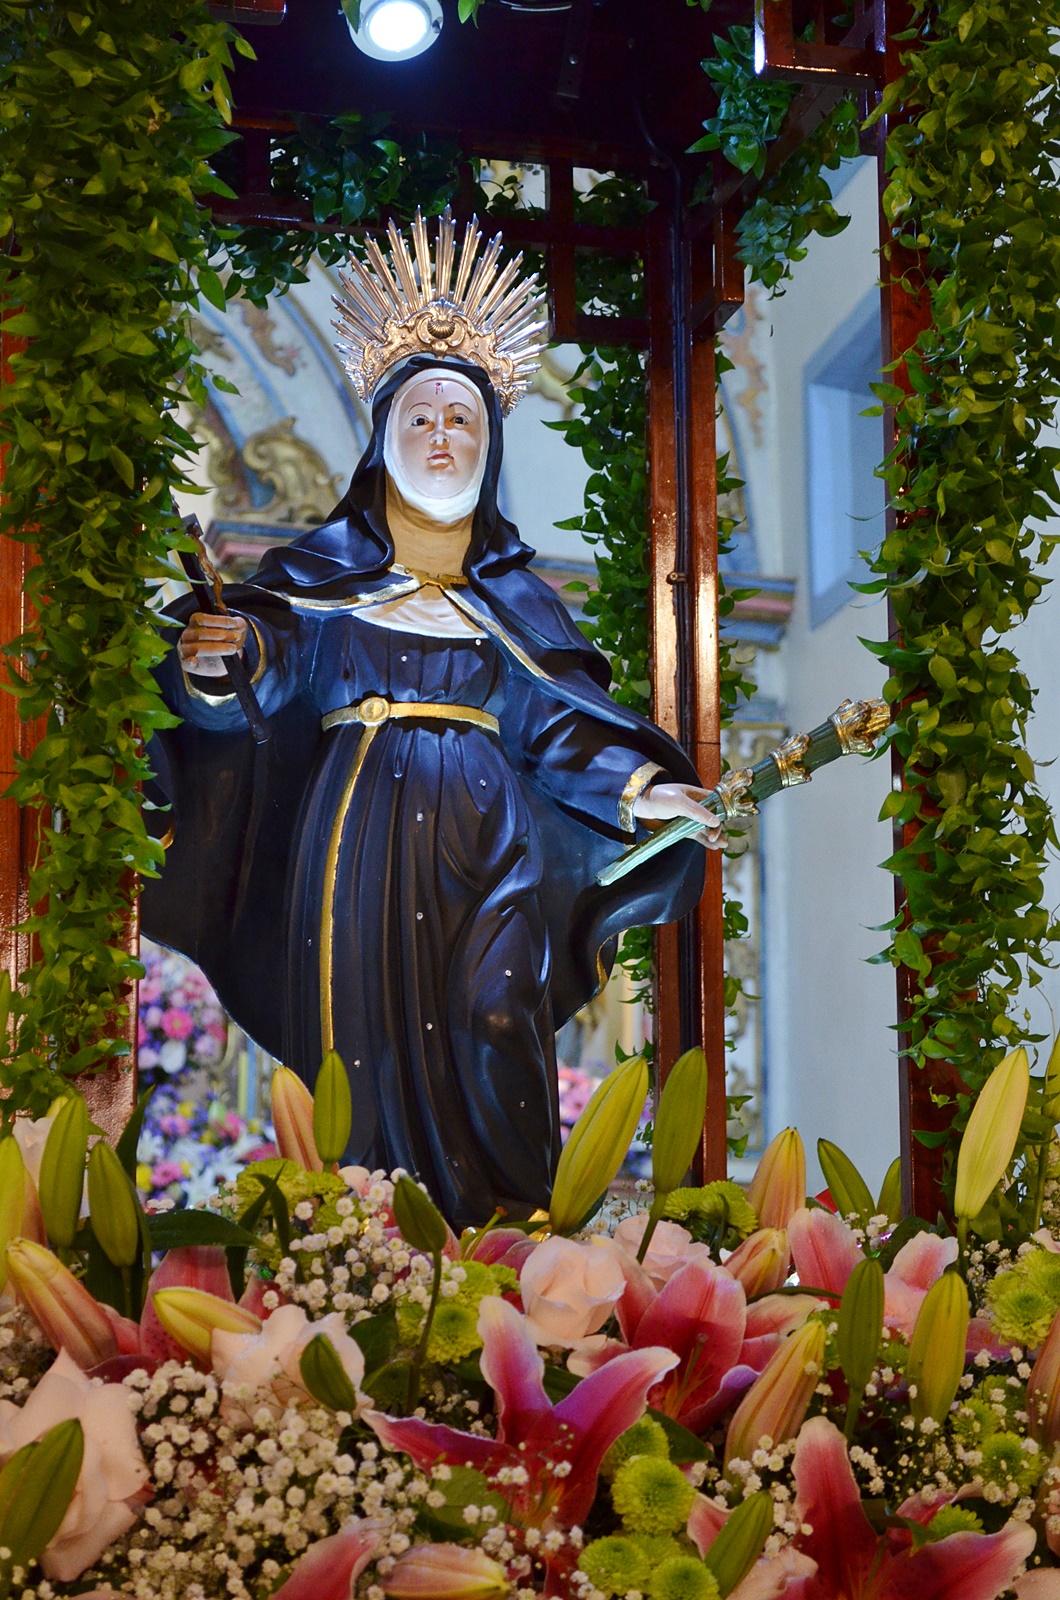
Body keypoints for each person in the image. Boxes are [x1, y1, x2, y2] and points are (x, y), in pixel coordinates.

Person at [142, 217, 721, 1229]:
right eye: (421, 417)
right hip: (355, 839)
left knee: (498, 1015)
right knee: (356, 1041)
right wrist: (219, 661)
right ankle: (363, 1242)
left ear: (488, 448)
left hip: (489, 837)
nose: (443, 435)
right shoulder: (323, 579)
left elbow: (554, 726)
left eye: (463, 419)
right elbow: (262, 667)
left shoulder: (514, 600)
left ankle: (514, 1239)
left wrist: (643, 788)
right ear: (383, 440)